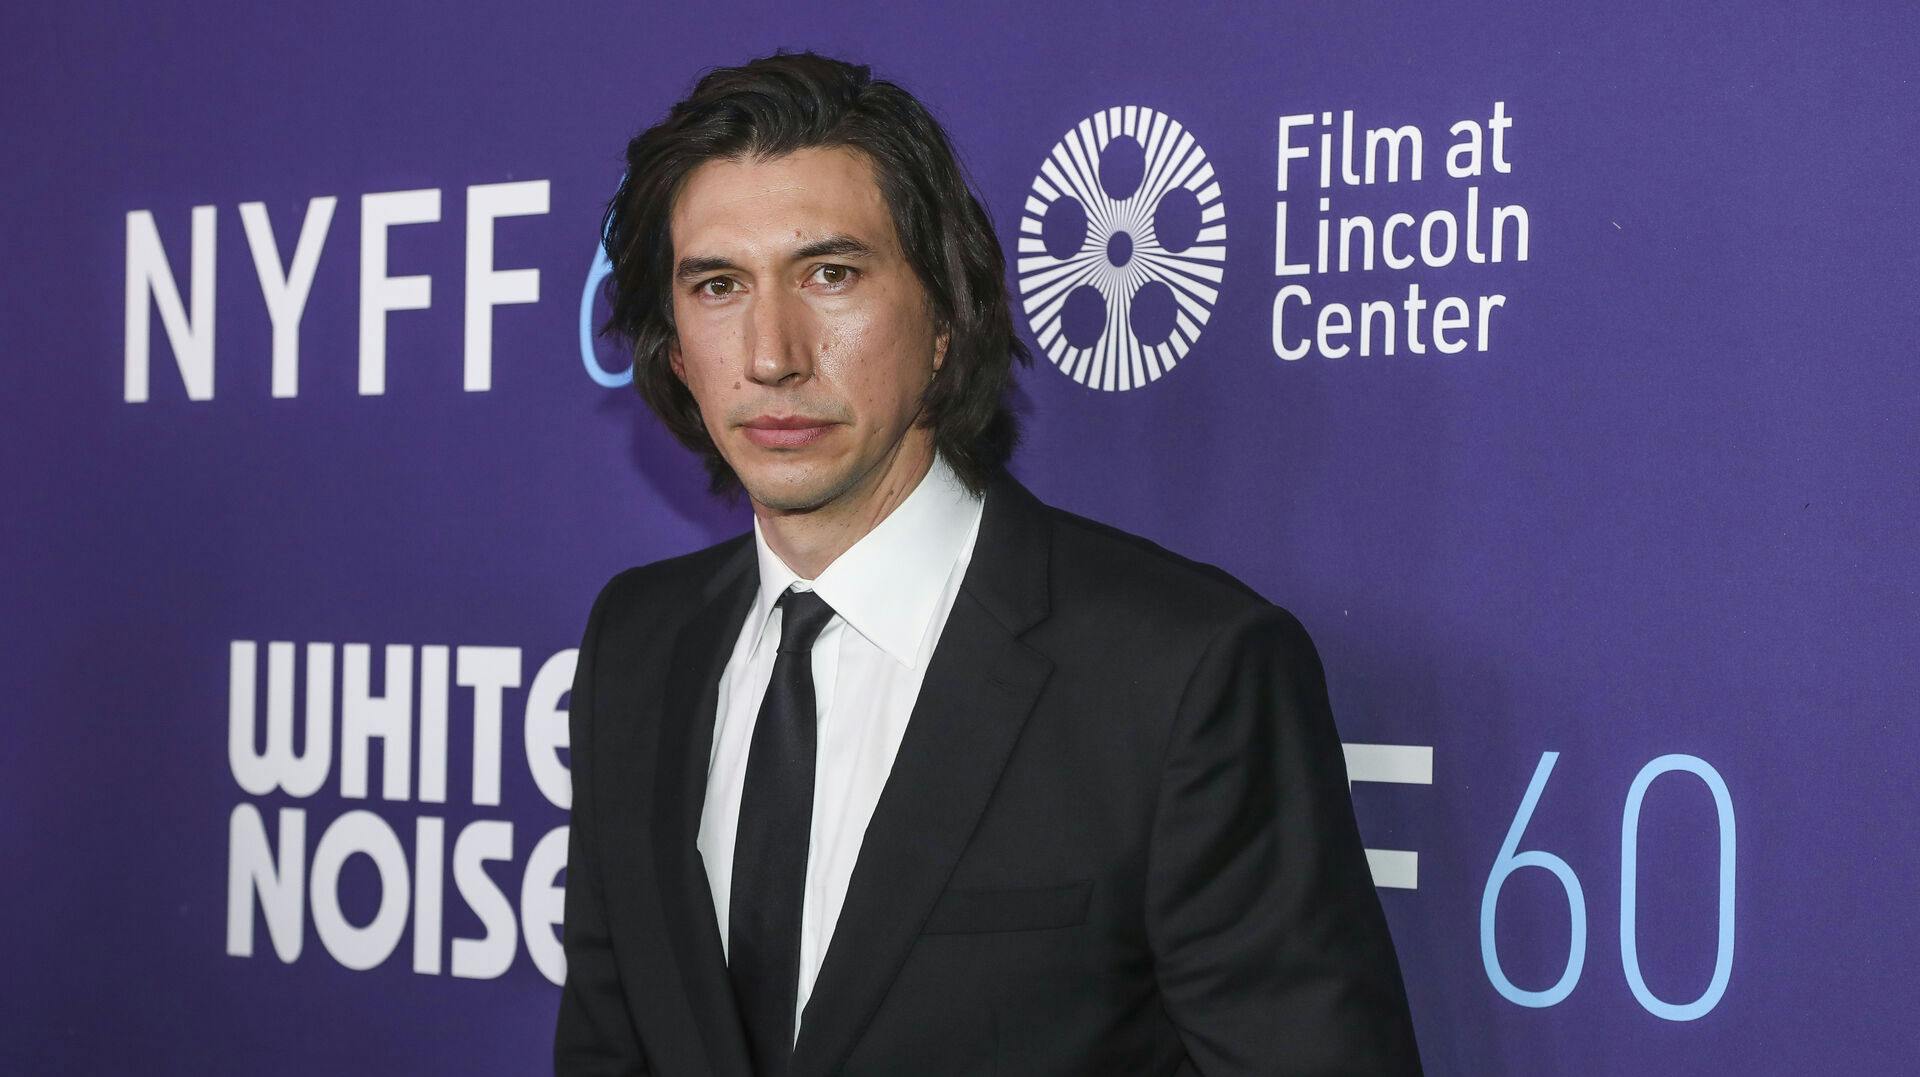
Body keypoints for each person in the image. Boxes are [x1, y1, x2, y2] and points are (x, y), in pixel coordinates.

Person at [555, 49, 1421, 1077]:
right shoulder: (638, 642)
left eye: (830, 274)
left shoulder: (1183, 673)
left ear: (945, 319)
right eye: (716, 285)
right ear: (673, 344)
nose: (772, 351)